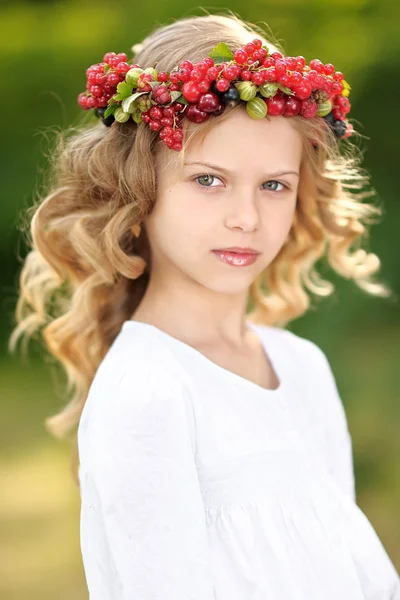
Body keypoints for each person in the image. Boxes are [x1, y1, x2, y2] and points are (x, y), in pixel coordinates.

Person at [9, 11, 400, 600]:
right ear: (139, 189)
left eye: (273, 185)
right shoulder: (149, 390)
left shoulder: (301, 368)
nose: (245, 217)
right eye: (209, 180)